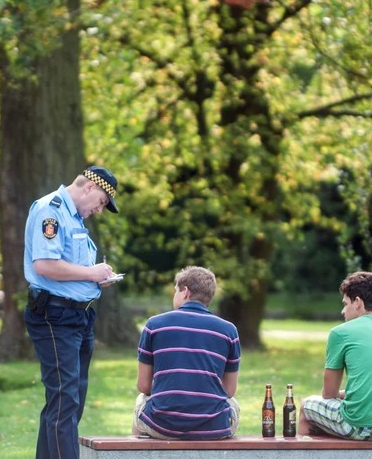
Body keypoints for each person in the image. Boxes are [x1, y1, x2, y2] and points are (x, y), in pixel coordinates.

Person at [24, 165, 121, 459]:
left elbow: (72, 270)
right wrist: (91, 273)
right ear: (89, 187)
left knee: (69, 402)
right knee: (64, 402)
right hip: (54, 316)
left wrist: (95, 278)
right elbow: (45, 265)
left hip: (78, 316)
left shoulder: (75, 218)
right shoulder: (50, 211)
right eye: (102, 202)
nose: (100, 210)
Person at [298, 271, 372, 441]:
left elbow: (329, 393)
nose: (343, 311)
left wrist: (345, 394)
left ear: (357, 302)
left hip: (359, 426)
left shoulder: (341, 333)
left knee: (307, 407)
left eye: (345, 303)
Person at [133, 266, 242, 440]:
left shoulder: (154, 325)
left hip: (162, 425)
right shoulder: (228, 331)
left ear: (185, 292)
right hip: (214, 427)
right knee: (232, 404)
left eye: (176, 290)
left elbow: (144, 386)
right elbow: (229, 391)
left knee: (141, 402)